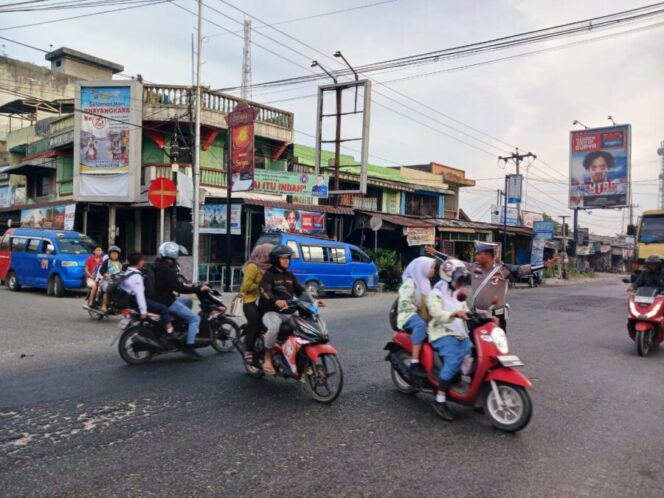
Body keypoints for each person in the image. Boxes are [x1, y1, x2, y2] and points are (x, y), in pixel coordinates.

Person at [426, 242, 558, 331]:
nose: (475, 256)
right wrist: (436, 252)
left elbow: (523, 269)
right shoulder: (473, 268)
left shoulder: (503, 269)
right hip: (476, 317)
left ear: (488, 255)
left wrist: (545, 265)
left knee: (497, 350)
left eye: (479, 254)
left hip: (497, 317)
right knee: (476, 351)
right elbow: (454, 261)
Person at [259, 245, 325, 374]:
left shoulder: (289, 275)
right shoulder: (269, 275)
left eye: (288, 258)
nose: (286, 260)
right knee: (274, 327)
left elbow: (301, 290)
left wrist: (313, 300)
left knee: (303, 328)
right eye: (283, 258)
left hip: (288, 312)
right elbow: (264, 290)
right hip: (271, 312)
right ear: (275, 259)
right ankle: (267, 357)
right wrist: (275, 300)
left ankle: (297, 357)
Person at [427, 259, 471, 421]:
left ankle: (460, 381)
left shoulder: (456, 292)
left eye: (462, 279)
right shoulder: (436, 292)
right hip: (441, 332)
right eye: (459, 279)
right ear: (448, 276)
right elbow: (435, 312)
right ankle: (439, 399)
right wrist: (453, 315)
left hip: (458, 331)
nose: (461, 282)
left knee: (473, 351)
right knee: (453, 360)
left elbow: (464, 309)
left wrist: (482, 315)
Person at [151, 241, 209, 360]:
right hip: (166, 301)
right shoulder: (166, 269)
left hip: (160, 298)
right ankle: (189, 347)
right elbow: (178, 288)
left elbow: (175, 284)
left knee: (188, 302)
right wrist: (197, 289)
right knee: (195, 318)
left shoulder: (159, 265)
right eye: (177, 255)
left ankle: (180, 326)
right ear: (172, 254)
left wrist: (190, 285)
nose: (178, 257)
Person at [398, 256, 437, 378]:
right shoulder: (411, 283)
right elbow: (403, 302)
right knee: (420, 325)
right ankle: (415, 361)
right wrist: (415, 307)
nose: (433, 270)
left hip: (421, 314)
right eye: (431, 267)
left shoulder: (426, 283)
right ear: (422, 268)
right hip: (408, 315)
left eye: (433, 267)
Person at [120, 252, 174, 331]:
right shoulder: (137, 276)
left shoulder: (127, 272)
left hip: (129, 300)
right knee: (164, 309)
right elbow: (140, 295)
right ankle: (170, 332)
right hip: (136, 301)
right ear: (138, 262)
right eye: (142, 260)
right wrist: (143, 311)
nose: (144, 262)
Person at [239, 243, 274, 363]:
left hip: (265, 299)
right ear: (263, 254)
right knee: (255, 319)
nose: (271, 256)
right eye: (269, 254)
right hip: (250, 300)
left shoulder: (270, 267)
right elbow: (246, 286)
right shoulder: (253, 266)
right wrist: (261, 286)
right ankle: (248, 349)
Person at [98, 245, 123, 313]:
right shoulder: (107, 261)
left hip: (117, 280)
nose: (114, 255)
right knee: (108, 289)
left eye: (116, 253)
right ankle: (104, 305)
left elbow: (122, 271)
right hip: (107, 280)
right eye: (112, 253)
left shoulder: (120, 262)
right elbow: (102, 270)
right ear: (109, 254)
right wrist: (105, 274)